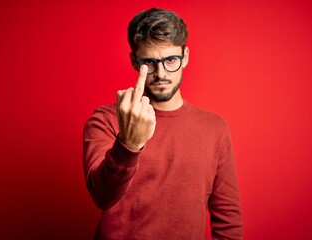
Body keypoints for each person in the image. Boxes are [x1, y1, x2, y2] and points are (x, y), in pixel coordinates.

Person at [83, 7, 242, 240]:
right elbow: (103, 197)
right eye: (149, 62)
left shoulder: (215, 128)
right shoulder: (105, 120)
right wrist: (129, 142)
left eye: (170, 60)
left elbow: (228, 219)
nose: (160, 73)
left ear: (185, 57)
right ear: (134, 62)